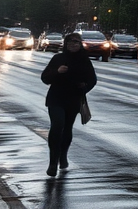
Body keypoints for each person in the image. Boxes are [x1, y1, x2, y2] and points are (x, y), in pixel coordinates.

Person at [40, 32, 97, 177]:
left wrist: (84, 88)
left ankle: (63, 155)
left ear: (80, 44)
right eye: (70, 42)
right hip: (56, 98)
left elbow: (92, 80)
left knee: (67, 128)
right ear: (65, 44)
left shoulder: (84, 60)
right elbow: (45, 77)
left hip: (74, 99)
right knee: (57, 125)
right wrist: (57, 72)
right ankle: (53, 163)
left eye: (76, 42)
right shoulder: (58, 58)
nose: (73, 45)